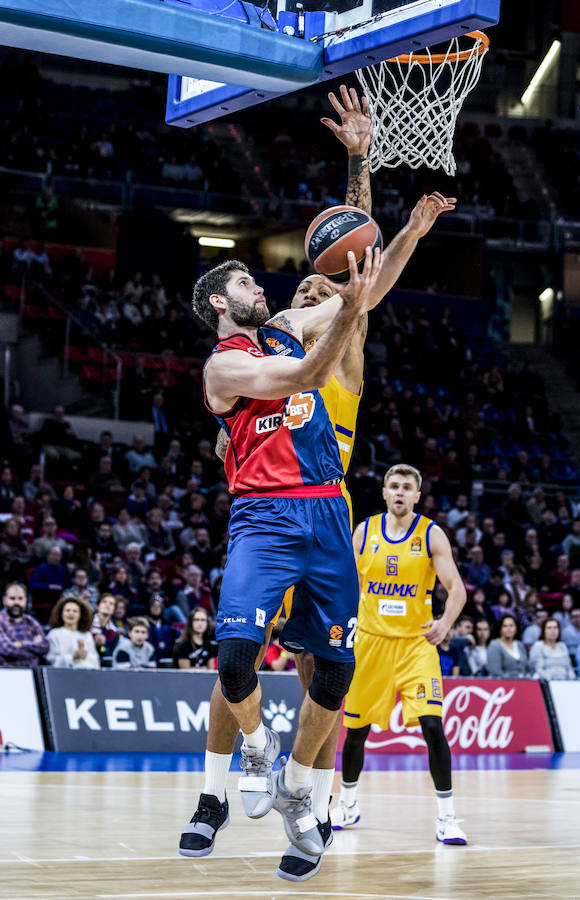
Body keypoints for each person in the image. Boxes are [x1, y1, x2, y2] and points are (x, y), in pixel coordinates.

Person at [178, 87, 456, 880]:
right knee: (232, 659)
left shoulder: (330, 322)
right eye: (268, 288)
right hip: (266, 512)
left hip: (327, 507)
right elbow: (314, 344)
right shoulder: (246, 357)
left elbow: (355, 262)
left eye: (313, 290)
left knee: (324, 674)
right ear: (221, 304)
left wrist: (372, 179)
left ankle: (305, 794)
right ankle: (221, 788)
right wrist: (346, 305)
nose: (296, 290)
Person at [329, 464, 468, 846]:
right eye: (395, 486)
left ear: (417, 496)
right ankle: (348, 804)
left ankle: (447, 817)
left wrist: (445, 623)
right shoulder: (364, 532)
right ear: (385, 492)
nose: (401, 492)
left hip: (415, 646)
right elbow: (344, 585)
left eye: (408, 487)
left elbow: (456, 589)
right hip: (370, 644)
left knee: (433, 727)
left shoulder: (431, 534)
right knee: (355, 732)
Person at [0, 582, 49, 667]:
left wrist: (22, 644)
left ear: (26, 600)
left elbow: (45, 646)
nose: (16, 602)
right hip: (6, 673)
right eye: (12, 598)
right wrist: (35, 651)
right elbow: (8, 649)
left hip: (32, 674)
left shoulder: (31, 622)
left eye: (20, 598)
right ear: (4, 600)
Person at [46, 596, 100, 669]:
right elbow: (51, 660)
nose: (71, 613)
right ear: (61, 613)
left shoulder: (87, 635)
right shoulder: (54, 634)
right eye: (67, 610)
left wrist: (85, 655)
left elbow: (95, 660)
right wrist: (73, 657)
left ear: (80, 615)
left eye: (75, 611)